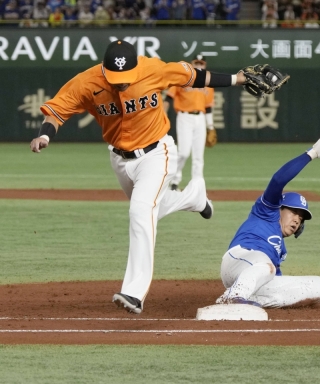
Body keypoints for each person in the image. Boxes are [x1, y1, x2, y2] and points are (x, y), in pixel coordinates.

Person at [29, 40, 273, 315]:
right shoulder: (88, 82)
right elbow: (57, 109)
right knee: (149, 211)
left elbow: (194, 76)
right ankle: (193, 197)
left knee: (140, 210)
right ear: (104, 70)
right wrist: (45, 134)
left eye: (126, 78)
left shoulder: (153, 69)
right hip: (119, 159)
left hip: (158, 153)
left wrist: (238, 78)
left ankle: (134, 292)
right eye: (115, 79)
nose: (121, 84)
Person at [216, 135, 320, 308]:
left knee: (319, 286)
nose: (296, 220)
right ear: (280, 208)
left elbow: (275, 283)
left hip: (257, 274)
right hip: (237, 261)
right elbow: (278, 180)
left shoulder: (280, 250)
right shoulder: (266, 212)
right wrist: (311, 154)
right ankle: (234, 297)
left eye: (300, 218)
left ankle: (249, 301)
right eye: (294, 212)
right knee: (266, 266)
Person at [164, 54, 215, 191]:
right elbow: (169, 98)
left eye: (201, 63)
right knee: (183, 153)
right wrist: (163, 113)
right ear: (192, 64)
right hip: (184, 116)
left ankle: (197, 186)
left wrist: (210, 126)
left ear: (205, 65)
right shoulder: (183, 79)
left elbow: (208, 106)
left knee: (198, 156)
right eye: (196, 63)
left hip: (201, 119)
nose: (199, 65)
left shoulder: (208, 83)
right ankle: (174, 181)